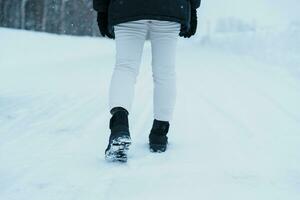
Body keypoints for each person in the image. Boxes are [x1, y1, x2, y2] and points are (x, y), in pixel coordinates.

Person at [93, 0, 201, 162]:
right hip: (170, 8)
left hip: (127, 7)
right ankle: (159, 133)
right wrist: (192, 10)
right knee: (165, 72)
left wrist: (102, 10)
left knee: (125, 68)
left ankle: (119, 127)